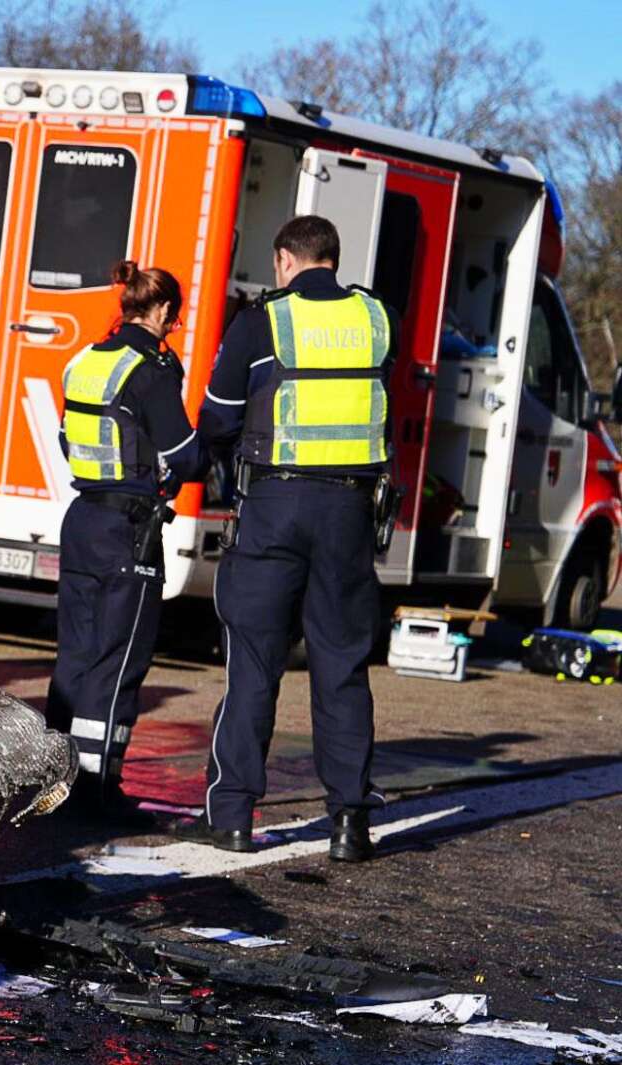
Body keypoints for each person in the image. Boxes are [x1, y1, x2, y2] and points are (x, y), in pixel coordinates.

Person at [177, 214, 394, 861]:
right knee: (342, 668)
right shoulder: (376, 320)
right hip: (350, 513)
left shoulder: (261, 321)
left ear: (284, 260)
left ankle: (233, 817)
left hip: (275, 505)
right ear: (333, 256)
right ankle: (350, 823)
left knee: (254, 667)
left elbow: (217, 417)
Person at [45, 261, 202, 817]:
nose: (172, 328)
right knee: (119, 661)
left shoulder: (85, 361)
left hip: (83, 518)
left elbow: (69, 440)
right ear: (161, 311)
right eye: (174, 319)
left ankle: (53, 778)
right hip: (128, 530)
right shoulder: (152, 370)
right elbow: (185, 454)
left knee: (76, 657)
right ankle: (95, 790)